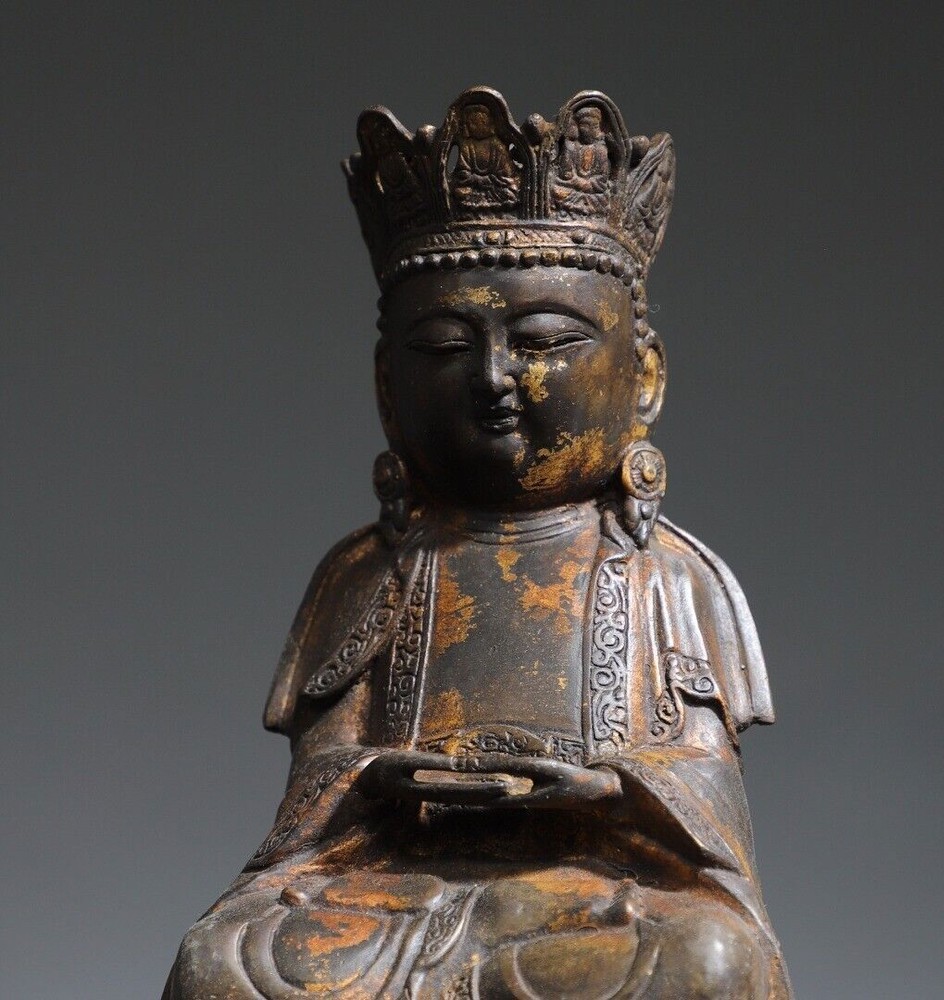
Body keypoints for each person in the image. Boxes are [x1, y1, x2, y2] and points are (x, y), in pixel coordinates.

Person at [163, 87, 793, 999]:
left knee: (708, 958)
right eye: (445, 347)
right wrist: (380, 775)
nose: (494, 378)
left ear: (644, 376)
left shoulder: (668, 577)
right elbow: (314, 791)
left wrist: (609, 791)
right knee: (221, 962)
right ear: (388, 386)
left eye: (543, 340)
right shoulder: (368, 573)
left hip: (593, 897)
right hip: (390, 895)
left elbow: (707, 793)